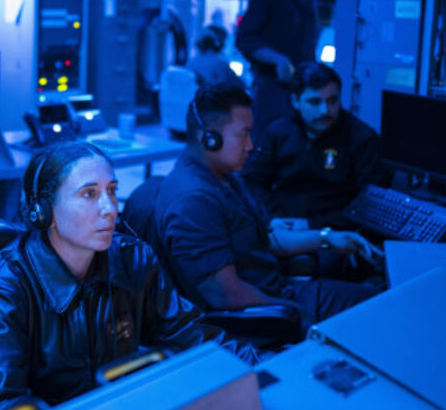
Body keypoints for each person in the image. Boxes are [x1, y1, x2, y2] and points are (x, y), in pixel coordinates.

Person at [0, 141, 251, 410]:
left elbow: (193, 338)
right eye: (89, 194)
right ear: (43, 212)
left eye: (112, 190)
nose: (110, 208)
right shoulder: (4, 293)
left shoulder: (134, 260)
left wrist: (266, 369)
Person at [155, 83, 377, 331]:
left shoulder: (222, 177)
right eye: (244, 134)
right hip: (269, 309)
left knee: (380, 299)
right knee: (377, 313)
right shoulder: (194, 202)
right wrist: (295, 315)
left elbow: (266, 241)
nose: (250, 145)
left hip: (280, 290)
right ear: (209, 138)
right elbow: (227, 297)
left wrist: (327, 237)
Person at [243, 62, 387, 232]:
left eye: (332, 101)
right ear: (296, 101)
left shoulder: (362, 138)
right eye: (314, 102)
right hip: (282, 224)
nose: (325, 110)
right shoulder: (279, 132)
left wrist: (313, 225)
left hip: (336, 231)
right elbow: (252, 181)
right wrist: (272, 218)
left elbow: (370, 205)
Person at [234, 0, 334, 133]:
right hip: (272, 90)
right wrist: (278, 59)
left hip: (300, 89)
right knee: (266, 149)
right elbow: (244, 38)